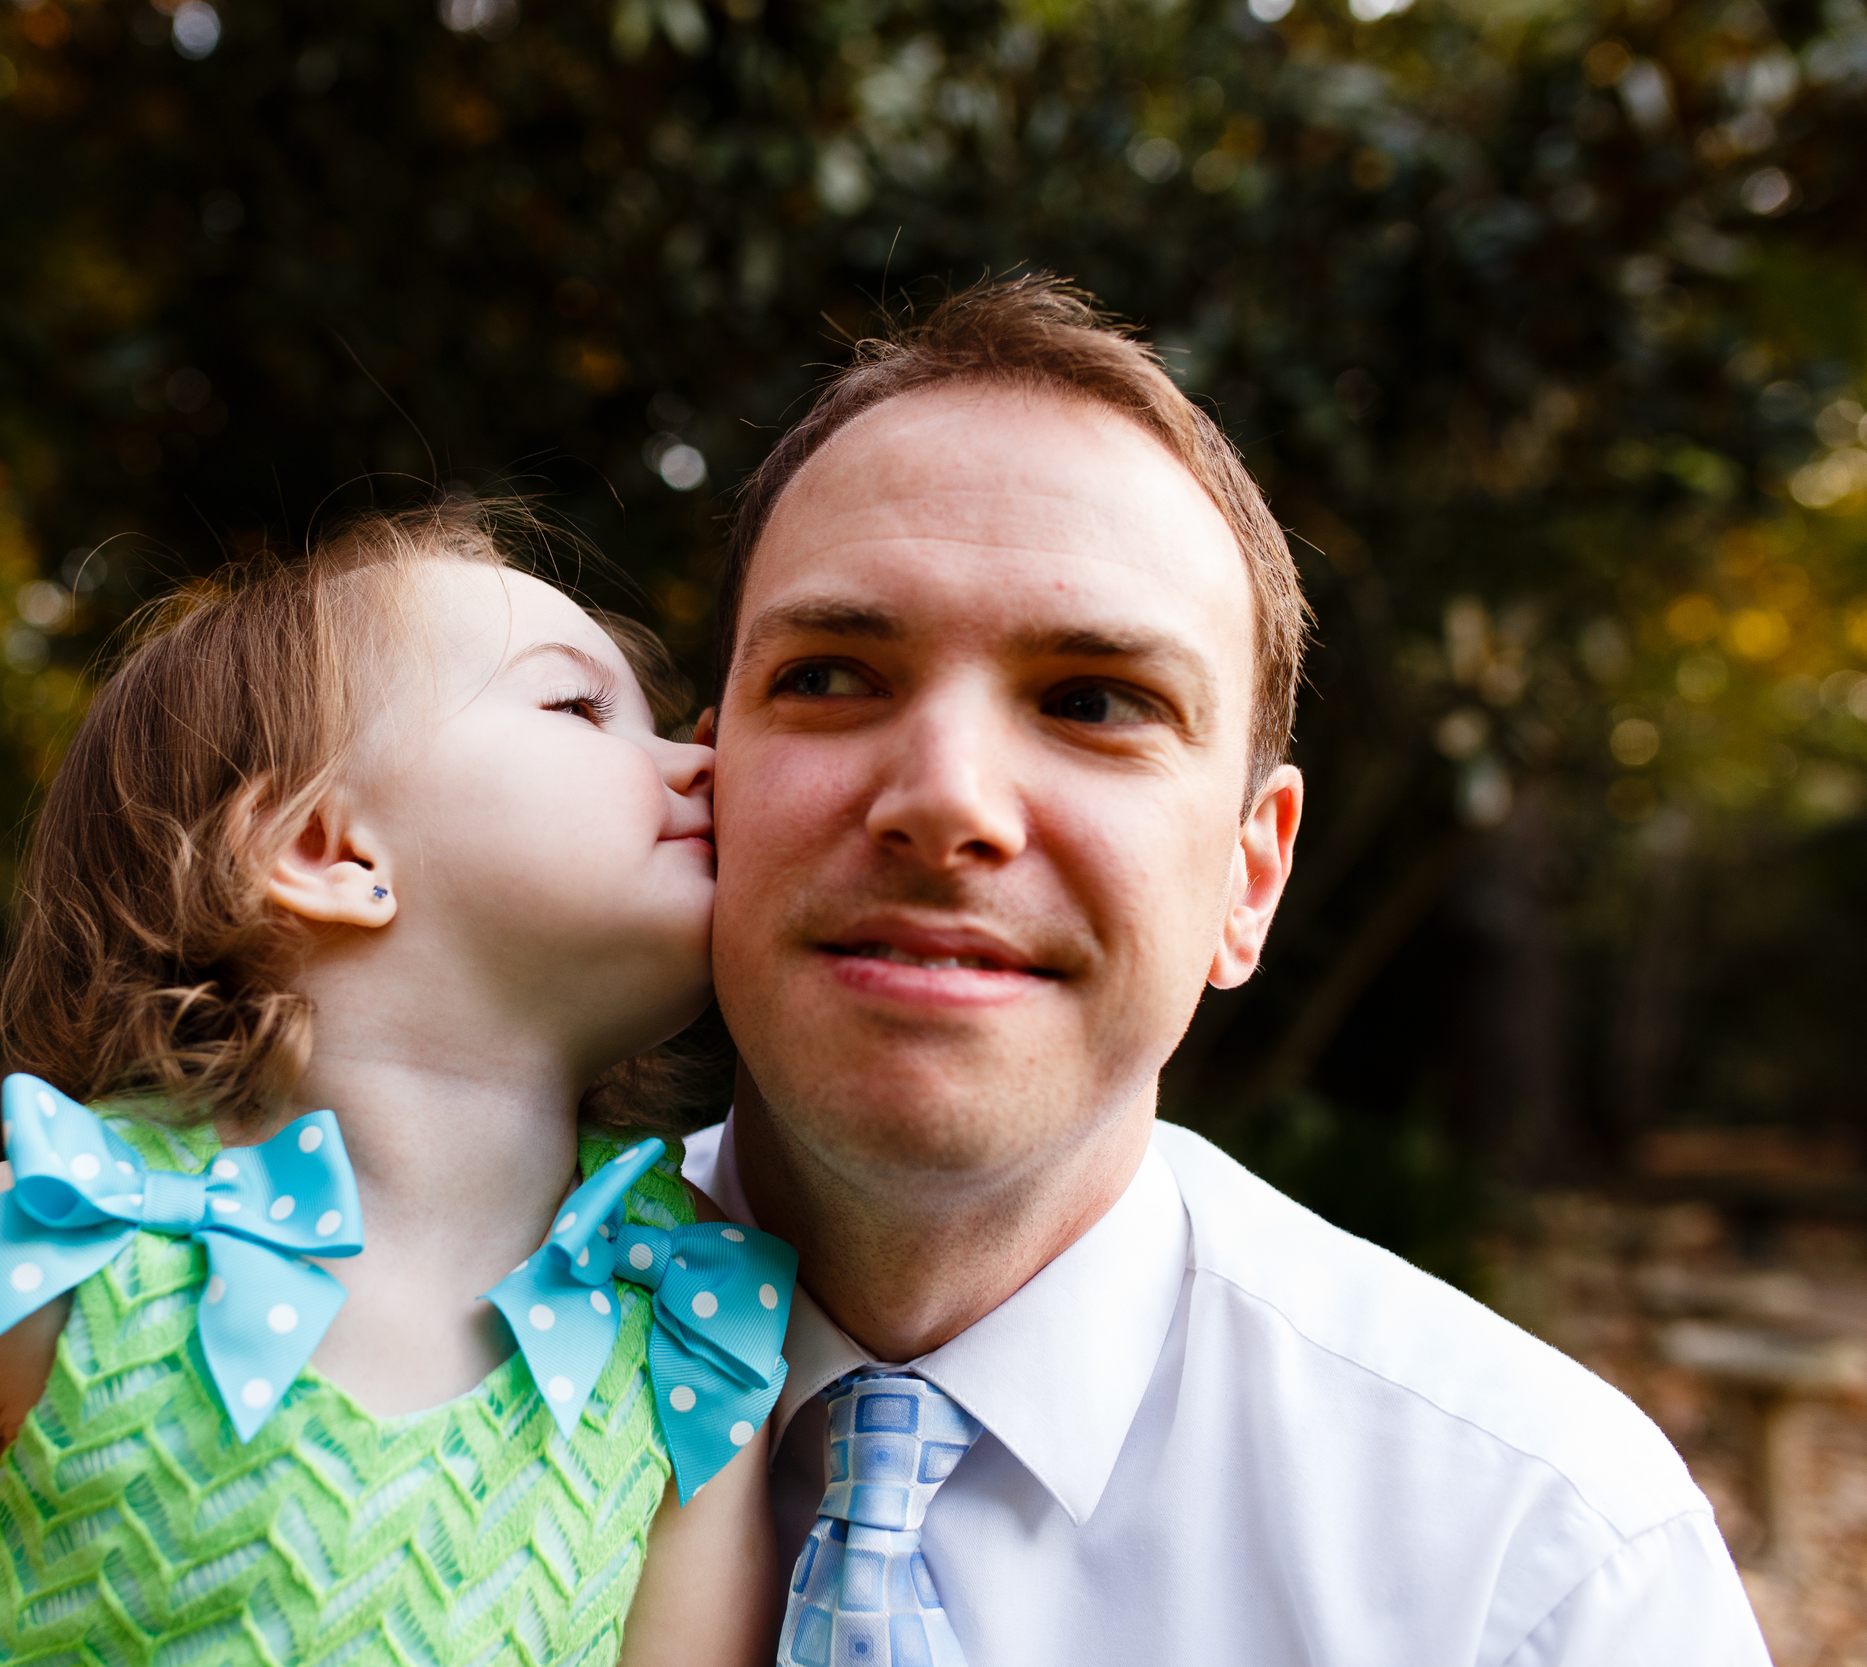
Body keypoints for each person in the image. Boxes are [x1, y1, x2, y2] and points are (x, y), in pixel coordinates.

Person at [680, 276, 1773, 1665]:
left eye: (1093, 701)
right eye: (832, 674)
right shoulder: (370, 1376)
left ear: (1249, 876)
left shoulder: (1543, 1564)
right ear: (699, 782)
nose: (947, 798)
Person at [0, 507, 794, 1666]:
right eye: (578, 708)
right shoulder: (86, 1247)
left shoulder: (683, 1323)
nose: (704, 759)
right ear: (327, 848)